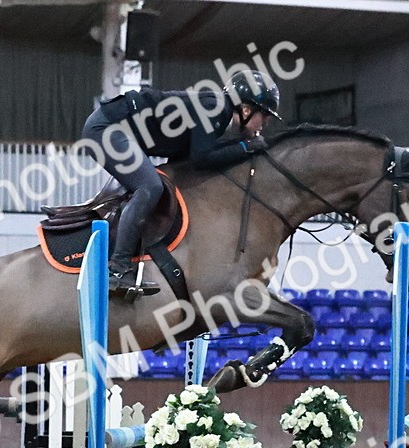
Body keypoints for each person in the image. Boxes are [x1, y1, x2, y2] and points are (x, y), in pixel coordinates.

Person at [80, 70, 282, 301]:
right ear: (246, 109)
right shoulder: (216, 108)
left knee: (159, 186)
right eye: (265, 115)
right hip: (107, 129)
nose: (265, 122)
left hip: (116, 128)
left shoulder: (217, 114)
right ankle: (117, 268)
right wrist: (247, 147)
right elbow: (202, 158)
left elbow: (189, 163)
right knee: (150, 188)